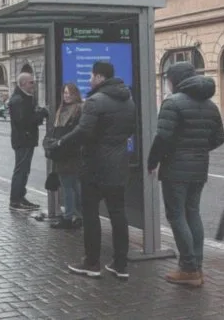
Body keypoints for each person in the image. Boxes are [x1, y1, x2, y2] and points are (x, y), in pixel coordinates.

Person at [54, 61, 136, 280]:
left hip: (95, 166)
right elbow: (130, 129)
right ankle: (121, 264)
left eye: (91, 76)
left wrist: (61, 143)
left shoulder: (95, 101)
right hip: (119, 165)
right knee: (118, 214)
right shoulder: (128, 100)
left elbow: (83, 132)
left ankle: (91, 262)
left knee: (91, 215)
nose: (89, 80)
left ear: (100, 77)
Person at [147, 62, 224, 286]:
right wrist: (198, 150)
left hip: (175, 168)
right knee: (192, 213)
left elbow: (162, 137)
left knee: (176, 215)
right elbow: (219, 138)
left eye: (169, 79)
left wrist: (153, 161)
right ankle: (196, 267)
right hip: (200, 167)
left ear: (175, 80)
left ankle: (189, 268)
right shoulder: (210, 105)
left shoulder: (173, 103)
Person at [8, 72, 48, 211]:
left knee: (24, 170)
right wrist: (41, 114)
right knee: (21, 170)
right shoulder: (19, 100)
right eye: (31, 82)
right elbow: (24, 121)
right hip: (23, 139)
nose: (34, 85)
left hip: (26, 139)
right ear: (23, 83)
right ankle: (15, 200)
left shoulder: (24, 98)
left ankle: (20, 197)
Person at [50, 83, 83, 229]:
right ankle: (79, 215)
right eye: (64, 93)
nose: (66, 96)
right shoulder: (61, 109)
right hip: (63, 152)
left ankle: (69, 216)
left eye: (69, 93)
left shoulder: (78, 110)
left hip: (70, 152)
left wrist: (61, 142)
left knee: (68, 185)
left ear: (75, 94)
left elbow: (74, 132)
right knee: (73, 185)